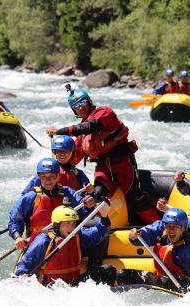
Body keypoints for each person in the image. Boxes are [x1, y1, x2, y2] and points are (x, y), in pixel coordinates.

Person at [46, 87, 161, 225]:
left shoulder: (105, 112)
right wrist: (59, 160)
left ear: (88, 102)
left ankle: (159, 226)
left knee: (135, 198)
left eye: (82, 103)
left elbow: (91, 126)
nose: (80, 108)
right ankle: (102, 230)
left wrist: (59, 131)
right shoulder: (82, 135)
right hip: (103, 167)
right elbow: (74, 157)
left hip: (122, 162)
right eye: (76, 107)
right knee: (98, 195)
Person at [15, 204, 116, 286]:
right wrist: (23, 276)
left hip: (73, 283)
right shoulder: (43, 241)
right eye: (67, 223)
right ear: (57, 224)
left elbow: (97, 233)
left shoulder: (76, 235)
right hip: (51, 286)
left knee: (108, 270)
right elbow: (23, 265)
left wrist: (104, 216)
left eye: (73, 223)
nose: (72, 227)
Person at [8, 157, 95, 250]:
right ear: (39, 177)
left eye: (52, 176)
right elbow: (15, 220)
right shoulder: (30, 197)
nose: (48, 181)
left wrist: (89, 205)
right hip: (39, 245)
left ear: (58, 176)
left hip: (66, 240)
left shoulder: (68, 192)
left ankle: (94, 264)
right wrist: (18, 237)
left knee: (98, 230)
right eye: (43, 176)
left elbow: (84, 212)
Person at [117, 207, 190, 291]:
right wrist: (134, 236)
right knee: (123, 275)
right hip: (160, 278)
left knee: (166, 281)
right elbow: (144, 235)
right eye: (168, 226)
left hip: (181, 284)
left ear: (183, 228)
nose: (171, 230)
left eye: (175, 227)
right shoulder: (160, 230)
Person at [21, 135, 92, 194]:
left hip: (71, 208)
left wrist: (90, 192)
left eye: (66, 151)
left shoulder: (78, 174)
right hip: (49, 206)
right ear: (55, 152)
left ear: (72, 153)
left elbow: (89, 194)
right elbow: (26, 193)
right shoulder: (46, 171)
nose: (62, 154)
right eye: (59, 151)